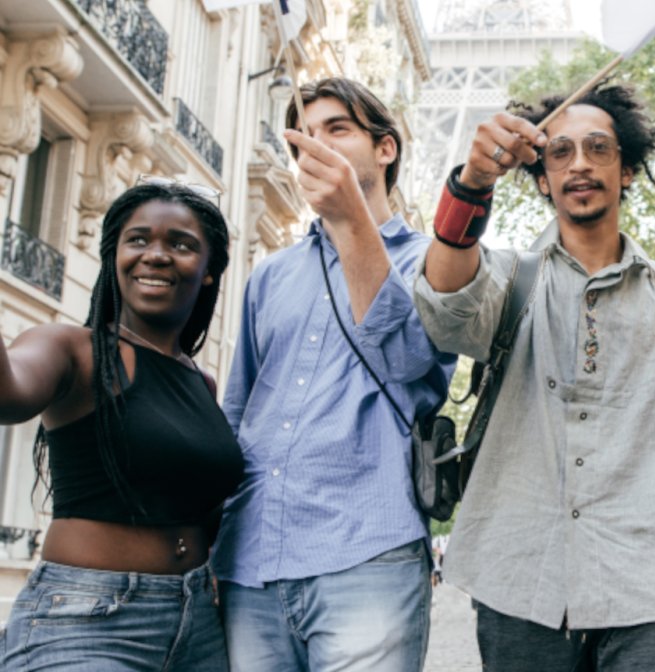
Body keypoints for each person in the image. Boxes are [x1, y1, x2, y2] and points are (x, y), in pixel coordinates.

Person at [414, 83, 655, 671]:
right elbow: (445, 307)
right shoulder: (508, 278)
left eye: (598, 148)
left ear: (629, 170)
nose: (580, 163)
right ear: (541, 178)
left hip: (648, 590)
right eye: (559, 153)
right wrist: (472, 185)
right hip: (519, 581)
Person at [211, 78, 454, 671]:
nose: (315, 148)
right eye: (304, 138)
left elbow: (407, 362)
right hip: (251, 561)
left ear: (386, 148)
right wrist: (215, 544)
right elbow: (237, 413)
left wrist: (350, 222)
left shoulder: (434, 262)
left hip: (368, 556)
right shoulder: (269, 277)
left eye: (337, 130)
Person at [0, 181, 238, 671]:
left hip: (197, 627)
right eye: (138, 240)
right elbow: (10, 395)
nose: (156, 255)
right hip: (88, 621)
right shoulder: (73, 349)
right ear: (115, 257)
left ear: (209, 272)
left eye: (181, 244)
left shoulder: (203, 384)